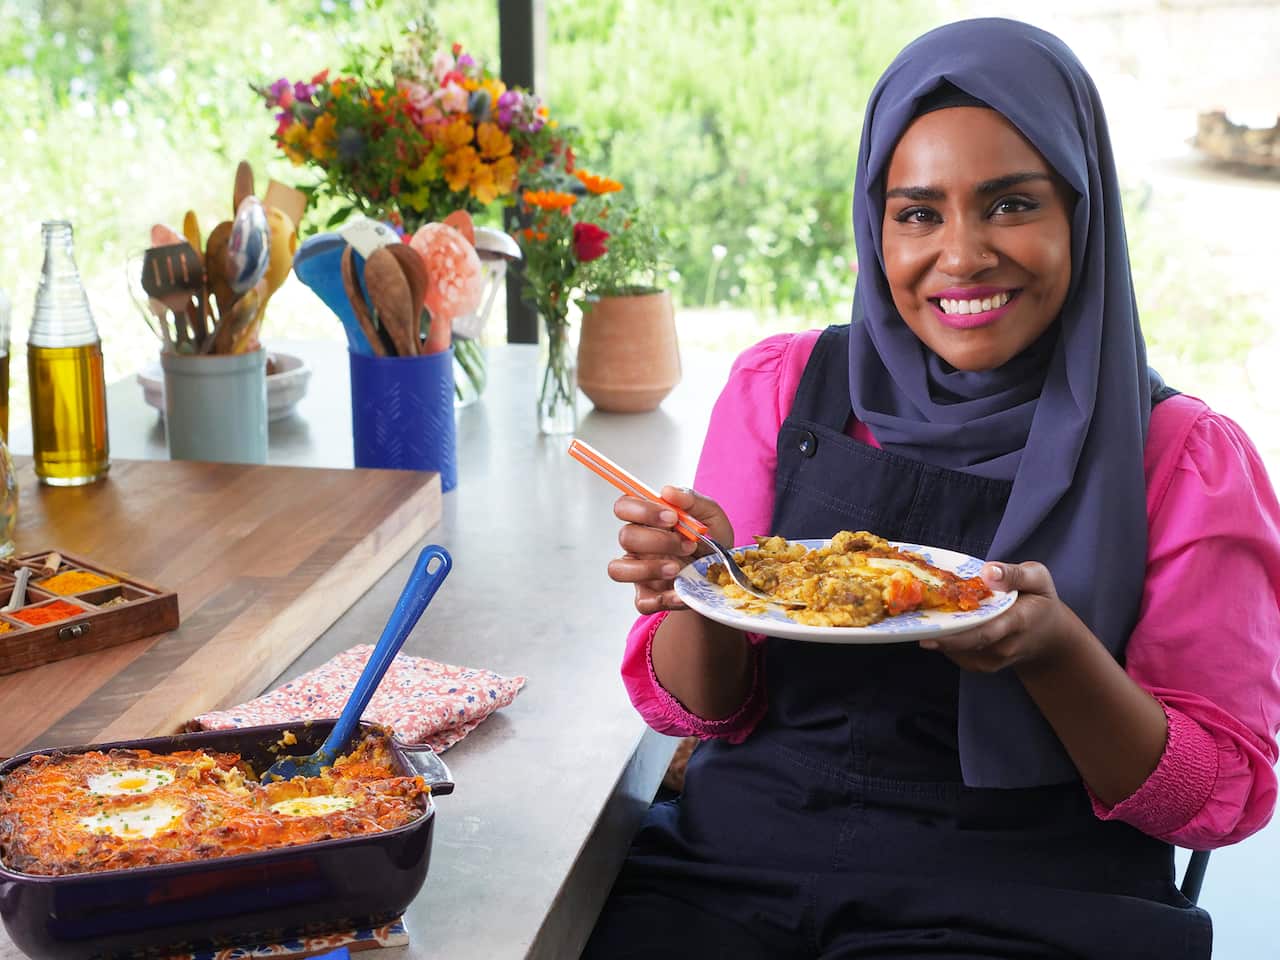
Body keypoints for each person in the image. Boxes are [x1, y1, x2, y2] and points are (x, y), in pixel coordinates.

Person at [582, 17, 1280, 960]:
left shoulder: (1186, 457)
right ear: (877, 227)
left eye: (1009, 205)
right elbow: (698, 713)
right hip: (737, 873)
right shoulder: (782, 387)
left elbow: (1217, 800)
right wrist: (704, 588)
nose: (961, 256)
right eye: (918, 213)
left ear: (1083, 211)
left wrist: (1056, 651)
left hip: (1029, 900)